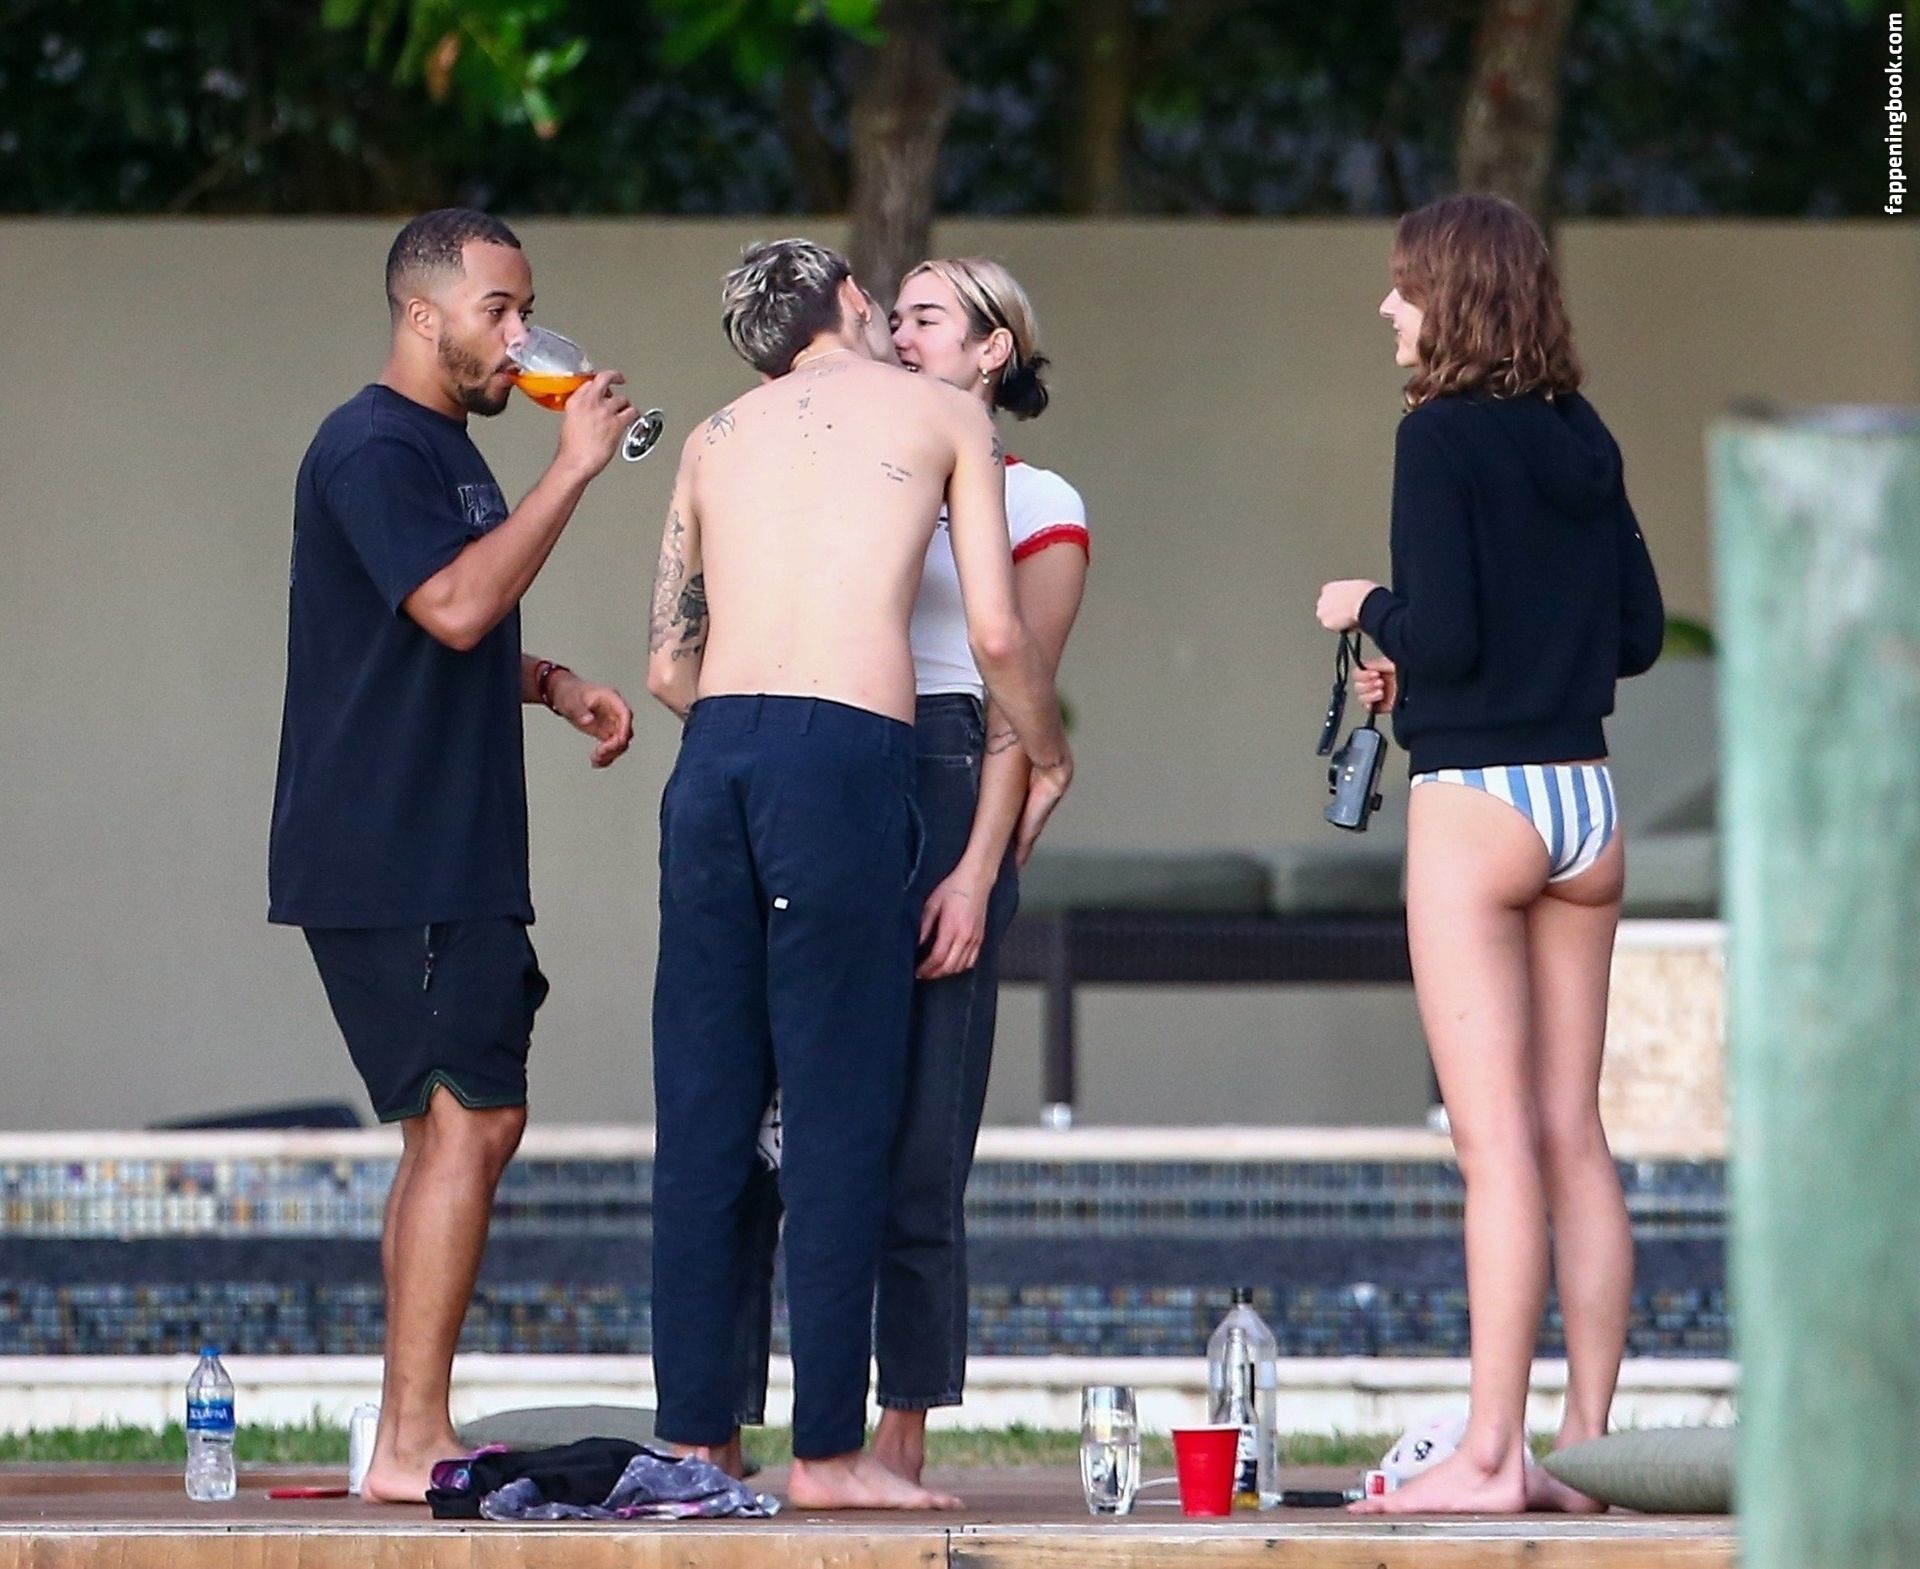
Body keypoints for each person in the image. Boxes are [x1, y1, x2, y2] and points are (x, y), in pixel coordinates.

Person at [642, 237, 1070, 1511]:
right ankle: (829, 1452)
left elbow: (667, 664)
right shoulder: (943, 417)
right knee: (836, 1106)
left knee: (706, 1110)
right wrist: (1049, 754)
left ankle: (695, 1439)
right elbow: (994, 632)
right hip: (845, 759)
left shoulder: (714, 435)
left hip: (714, 761)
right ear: (845, 303)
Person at [268, 208, 639, 1503]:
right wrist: (575, 467)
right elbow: (458, 602)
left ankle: (407, 1429)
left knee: (460, 1124)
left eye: (526, 309)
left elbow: (436, 623)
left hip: (443, 840)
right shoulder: (373, 444)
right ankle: (410, 1440)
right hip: (395, 842)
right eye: (499, 311)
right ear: (422, 314)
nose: (522, 337)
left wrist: (550, 682)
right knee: (469, 1119)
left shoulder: (440, 449)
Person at [1315, 193, 1664, 1515]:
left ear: (1452, 297)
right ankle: (1584, 1452)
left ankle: (1489, 1456)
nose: (1387, 307)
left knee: (1496, 1145)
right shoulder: (1582, 432)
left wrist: (1367, 606)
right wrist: (1443, 659)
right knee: (1575, 1133)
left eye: (1404, 286)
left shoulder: (1437, 436)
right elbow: (1634, 634)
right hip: (1586, 801)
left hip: (1479, 802)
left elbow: (1449, 632)